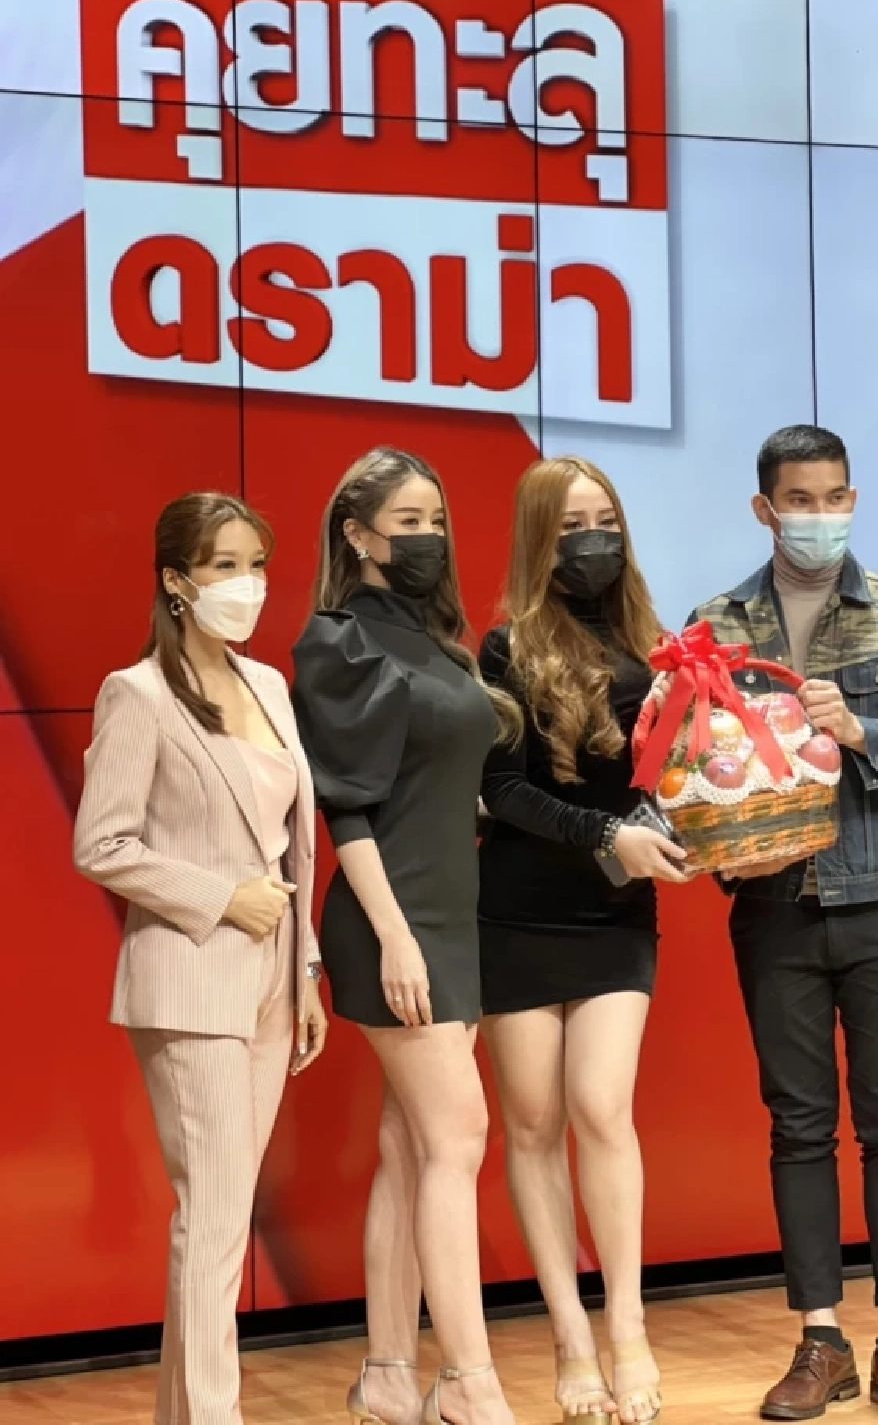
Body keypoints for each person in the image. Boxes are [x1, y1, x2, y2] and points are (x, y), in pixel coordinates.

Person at [688, 425, 878, 1425]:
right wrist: (715, 839)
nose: (820, 515)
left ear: (853, 499)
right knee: (799, 1127)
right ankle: (820, 1338)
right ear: (764, 509)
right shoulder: (715, 627)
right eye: (800, 500)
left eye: (835, 496)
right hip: (774, 910)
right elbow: (693, 769)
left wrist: (860, 730)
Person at [74, 491, 326, 1425]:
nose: (248, 585)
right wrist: (222, 898)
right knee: (214, 1219)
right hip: (190, 976)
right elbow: (102, 844)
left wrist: (304, 971)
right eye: (225, 566)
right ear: (177, 581)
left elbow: (291, 844)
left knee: (224, 1214)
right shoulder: (136, 693)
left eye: (256, 564)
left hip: (270, 975)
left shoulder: (268, 686)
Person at [290, 447, 523, 1425]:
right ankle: (468, 1383)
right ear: (357, 534)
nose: (428, 537)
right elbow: (346, 809)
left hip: (451, 918)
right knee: (458, 1135)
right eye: (407, 522)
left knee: (411, 1144)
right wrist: (394, 938)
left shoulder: (438, 642)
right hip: (394, 922)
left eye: (436, 520)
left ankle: (388, 1375)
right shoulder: (339, 643)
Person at [477, 458, 688, 1425]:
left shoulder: (656, 642)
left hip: (615, 915)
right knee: (531, 1125)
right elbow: (503, 792)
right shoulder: (505, 647)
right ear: (538, 538)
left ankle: (628, 1327)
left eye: (604, 519)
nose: (592, 539)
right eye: (570, 527)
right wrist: (606, 835)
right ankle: (569, 1337)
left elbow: (673, 779)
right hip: (518, 911)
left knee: (602, 1108)